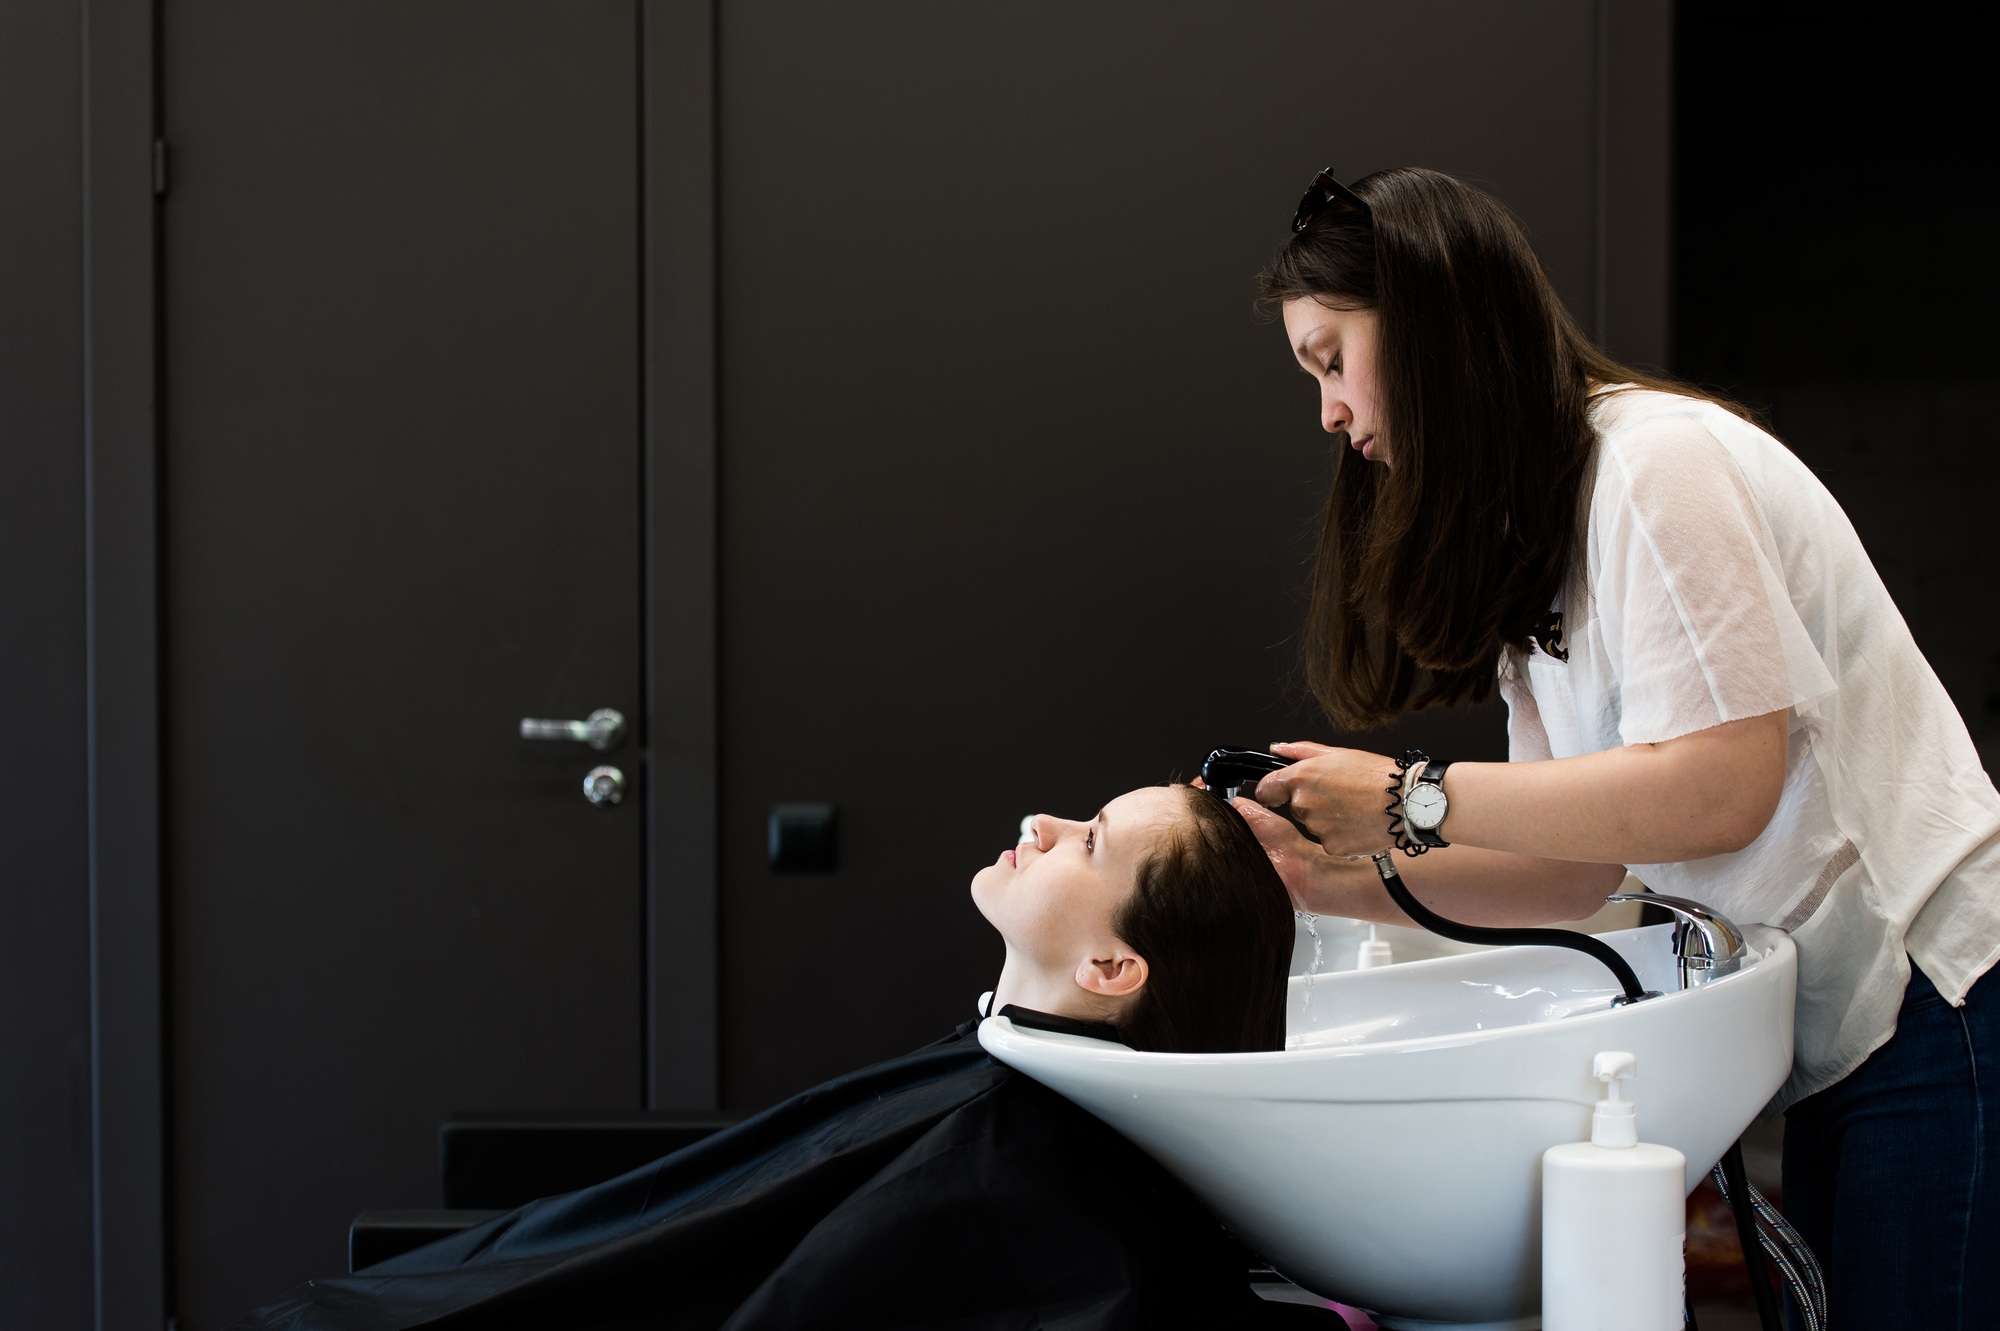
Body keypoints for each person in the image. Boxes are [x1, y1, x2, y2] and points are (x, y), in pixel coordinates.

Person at [1236, 165, 2000, 1325]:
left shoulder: (1651, 465)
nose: (1330, 413)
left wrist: (1409, 796)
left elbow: (1717, 788)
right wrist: (1332, 882)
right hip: (1846, 1036)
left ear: (1433, 320)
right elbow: (1576, 867)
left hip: (1937, 997)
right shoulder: (1541, 543)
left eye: (1330, 358)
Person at [232, 784, 1331, 1331]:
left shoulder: (1020, 1168)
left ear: (1109, 966)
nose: (1041, 821)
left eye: (1089, 838)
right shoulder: (1016, 1100)